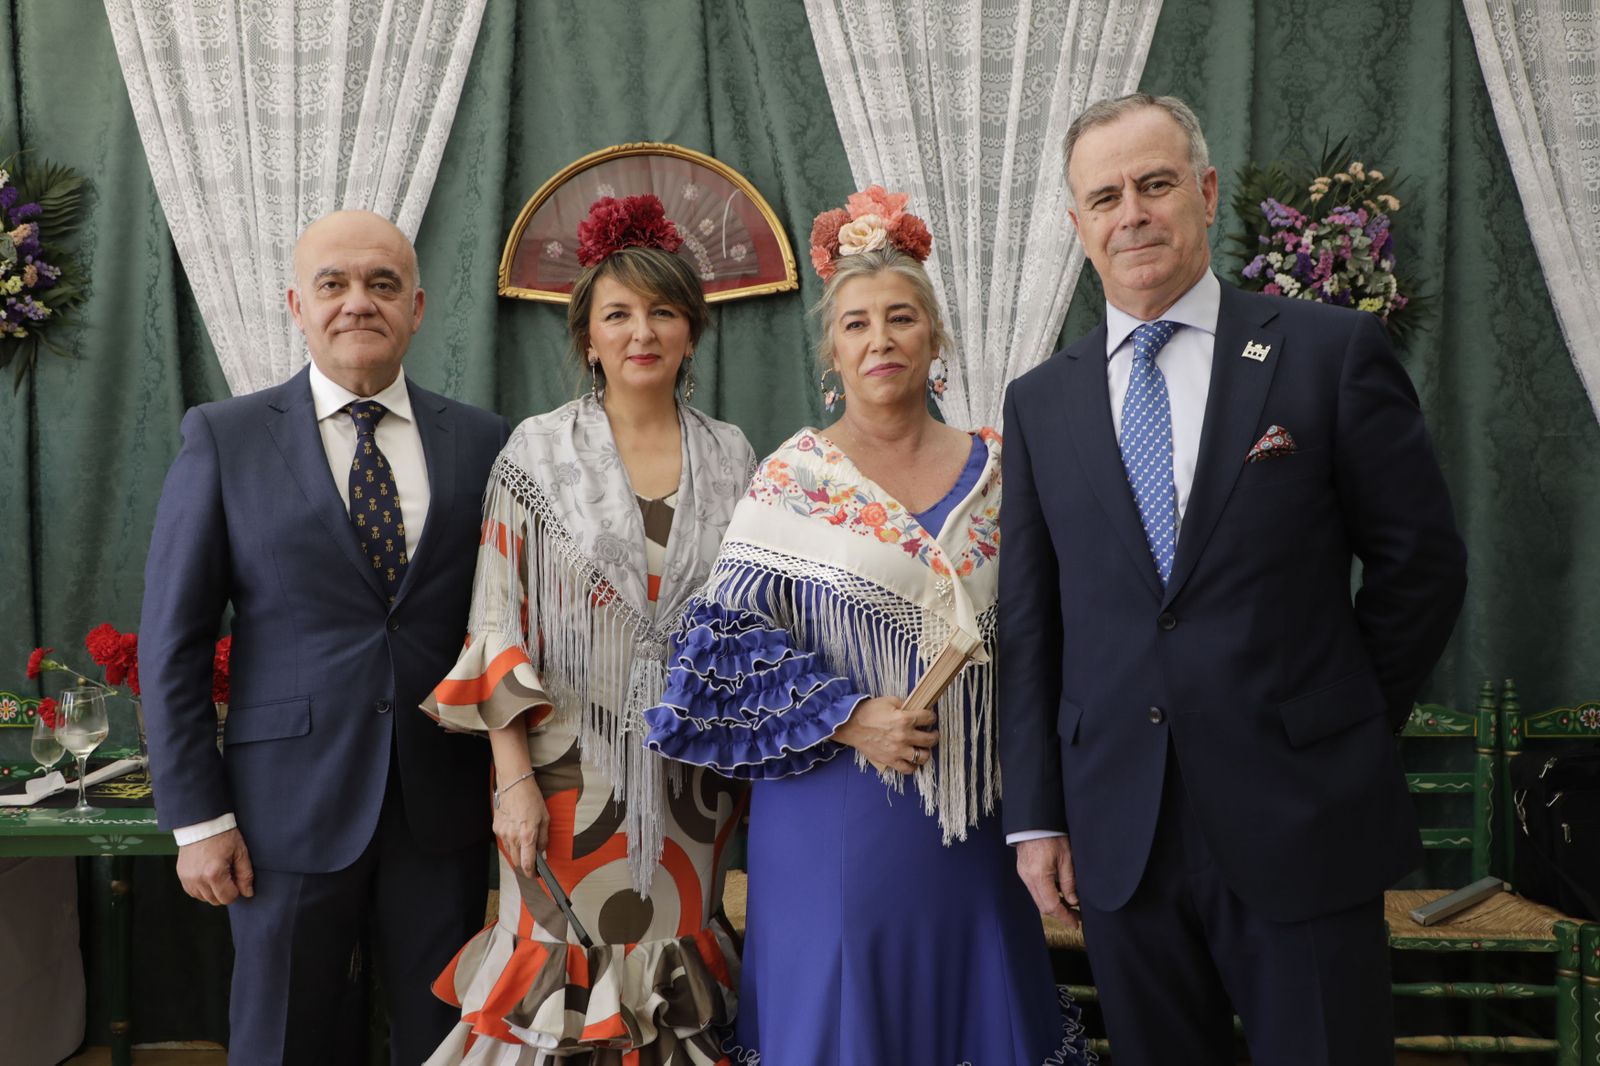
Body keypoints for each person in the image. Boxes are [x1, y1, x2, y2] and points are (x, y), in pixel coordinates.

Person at [999, 93, 1468, 1064]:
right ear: (1077, 224)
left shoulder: (1327, 355)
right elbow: (1030, 623)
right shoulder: (1040, 403)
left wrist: (1334, 723)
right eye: (1104, 195)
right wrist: (1036, 813)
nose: (1131, 211)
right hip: (1118, 837)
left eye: (1155, 183)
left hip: (1303, 816)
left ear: (1205, 193)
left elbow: (1420, 567)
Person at [645, 187, 1092, 1065]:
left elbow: (1056, 634)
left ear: (937, 342)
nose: (879, 339)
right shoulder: (792, 479)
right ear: (832, 354)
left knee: (985, 1003)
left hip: (982, 810)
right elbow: (715, 656)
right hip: (834, 804)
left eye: (900, 318)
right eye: (855, 324)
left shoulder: (1004, 470)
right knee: (842, 1016)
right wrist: (852, 716)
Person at [139, 210, 512, 1065]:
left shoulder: (484, 442)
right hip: (281, 815)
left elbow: (504, 625)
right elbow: (174, 643)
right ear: (295, 306)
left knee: (445, 1042)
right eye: (333, 284)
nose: (358, 303)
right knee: (282, 1040)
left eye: (382, 284)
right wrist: (197, 819)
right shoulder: (224, 438)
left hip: (441, 807)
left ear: (417, 307)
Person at [420, 194, 755, 1065]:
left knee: (677, 980)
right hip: (563, 775)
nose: (640, 331)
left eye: (662, 312)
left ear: (690, 333)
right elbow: (498, 624)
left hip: (694, 782)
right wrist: (511, 784)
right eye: (618, 314)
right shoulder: (535, 453)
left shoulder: (734, 456)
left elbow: (753, 623)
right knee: (561, 982)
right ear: (589, 336)